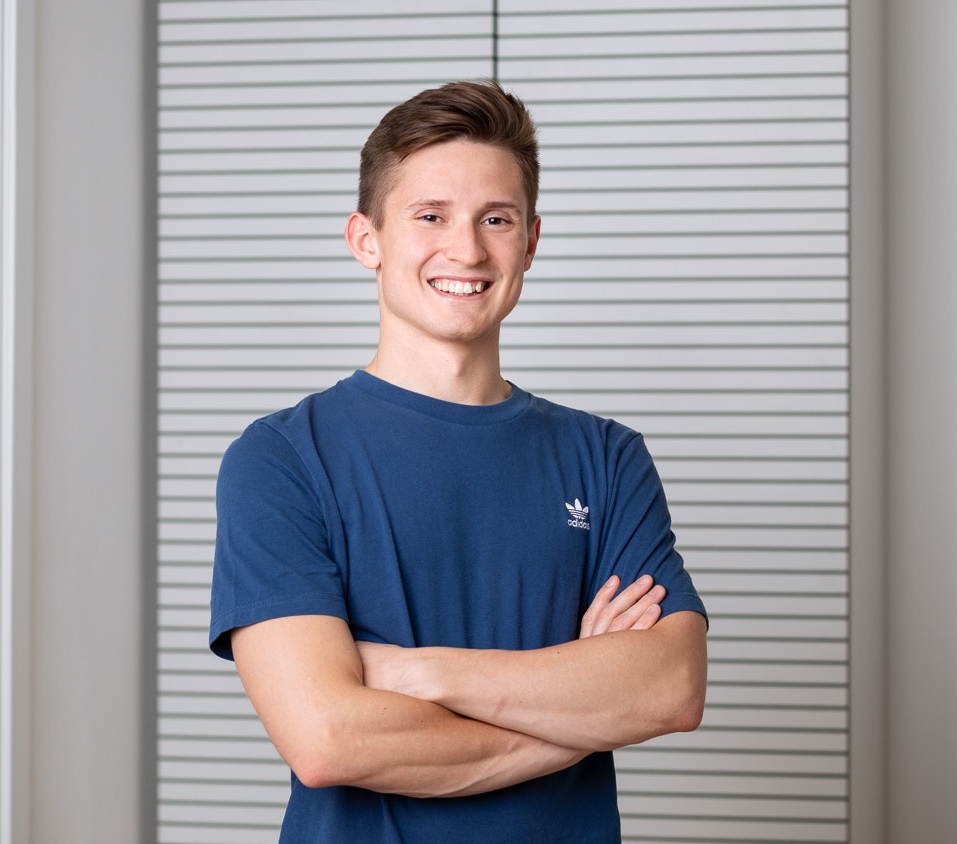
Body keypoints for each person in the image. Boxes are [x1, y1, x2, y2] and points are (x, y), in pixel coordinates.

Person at [208, 79, 708, 843]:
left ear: (531, 241)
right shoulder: (280, 460)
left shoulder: (606, 458)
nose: (467, 249)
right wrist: (581, 707)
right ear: (365, 238)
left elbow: (670, 688)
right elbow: (327, 739)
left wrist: (420, 671)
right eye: (431, 215)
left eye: (496, 219)